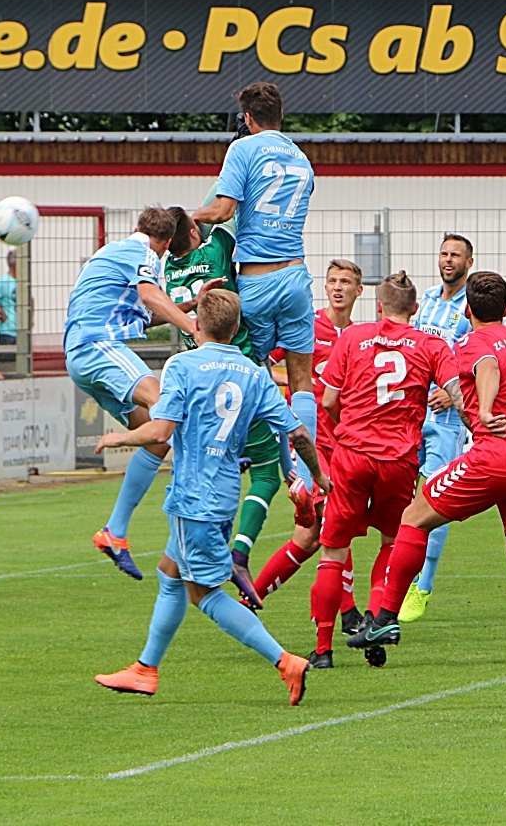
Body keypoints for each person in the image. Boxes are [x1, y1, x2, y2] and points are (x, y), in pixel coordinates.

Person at [348, 272, 506, 710]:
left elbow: (488, 367)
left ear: (467, 311)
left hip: (495, 457)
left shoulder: (476, 343)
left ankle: (385, 619)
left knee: (412, 518)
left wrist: (486, 407)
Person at [91, 289, 328, 704]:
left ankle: (284, 661)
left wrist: (119, 437)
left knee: (205, 594)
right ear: (237, 329)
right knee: (170, 573)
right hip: (223, 494)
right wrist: (318, 477)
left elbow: (161, 431)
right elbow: (299, 432)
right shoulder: (254, 372)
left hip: (192, 497)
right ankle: (145, 669)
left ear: (197, 325)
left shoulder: (182, 364)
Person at [309, 271, 462, 669]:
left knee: (333, 551)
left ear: (379, 306)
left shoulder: (352, 337)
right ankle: (377, 623)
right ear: (414, 309)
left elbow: (326, 401)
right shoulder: (430, 344)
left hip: (353, 454)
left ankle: (323, 649)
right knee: (392, 542)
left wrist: (354, 424)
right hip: (399, 459)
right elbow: (457, 390)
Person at [69, 207, 210, 581]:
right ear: (163, 245)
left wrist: (190, 306)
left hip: (81, 355)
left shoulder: (117, 252)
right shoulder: (143, 254)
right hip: (96, 344)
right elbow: (149, 294)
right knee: (164, 403)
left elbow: (148, 312)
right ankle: (204, 470)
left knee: (157, 436)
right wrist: (195, 328)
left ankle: (114, 532)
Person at [192, 82, 320, 486]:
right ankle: (306, 478)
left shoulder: (243, 148)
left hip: (258, 280)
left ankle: (245, 461)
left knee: (245, 371)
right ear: (281, 116)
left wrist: (188, 218)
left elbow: (222, 209)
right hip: (296, 278)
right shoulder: (302, 159)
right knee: (302, 381)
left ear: (247, 119)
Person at [248, 259, 365, 634]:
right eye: (332, 281)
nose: (337, 287)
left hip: (345, 446)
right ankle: (345, 615)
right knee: (327, 528)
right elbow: (266, 361)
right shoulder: (308, 325)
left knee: (314, 535)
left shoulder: (361, 337)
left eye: (345, 282)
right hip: (309, 445)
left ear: (358, 291)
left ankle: (250, 598)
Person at [161, 203, 269, 604]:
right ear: (194, 232)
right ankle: (238, 553)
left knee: (205, 459)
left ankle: (181, 564)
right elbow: (227, 212)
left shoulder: (168, 272)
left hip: (199, 377)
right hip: (237, 367)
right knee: (269, 472)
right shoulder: (215, 248)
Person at [399, 232, 476, 625]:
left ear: (469, 262)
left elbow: (478, 357)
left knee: (435, 498)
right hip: (410, 413)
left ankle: (423, 585)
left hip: (446, 420)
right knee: (400, 497)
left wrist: (455, 393)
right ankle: (395, 577)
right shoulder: (426, 299)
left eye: (456, 255)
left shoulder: (471, 307)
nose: (448, 260)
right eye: (444, 254)